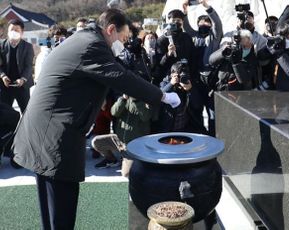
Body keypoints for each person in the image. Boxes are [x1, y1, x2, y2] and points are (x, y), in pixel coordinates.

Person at [11, 9, 180, 230]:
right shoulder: (92, 45)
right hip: (53, 135)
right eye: (124, 37)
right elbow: (122, 78)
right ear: (111, 30)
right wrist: (164, 95)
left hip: (42, 131)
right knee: (61, 208)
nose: (124, 42)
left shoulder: (85, 39)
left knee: (51, 206)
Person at [182, 0, 223, 136]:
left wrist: (207, 7)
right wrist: (184, 12)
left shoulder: (214, 37)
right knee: (196, 110)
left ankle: (213, 137)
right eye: (201, 22)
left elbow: (217, 23)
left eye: (207, 22)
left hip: (211, 80)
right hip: (196, 80)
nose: (203, 24)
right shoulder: (194, 36)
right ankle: (200, 136)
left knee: (212, 113)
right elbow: (186, 26)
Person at [111, 94, 153, 177]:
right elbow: (114, 112)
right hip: (119, 141)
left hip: (134, 144)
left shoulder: (145, 101)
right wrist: (123, 99)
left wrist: (137, 101)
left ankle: (129, 160)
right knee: (96, 142)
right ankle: (112, 160)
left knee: (126, 174)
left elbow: (145, 117)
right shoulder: (122, 99)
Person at [0, 19, 34, 113]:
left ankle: (26, 128)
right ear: (8, 31)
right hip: (6, 85)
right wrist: (3, 76)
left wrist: (22, 79)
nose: (13, 32)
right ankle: (7, 128)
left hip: (22, 86)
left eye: (16, 30)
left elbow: (28, 66)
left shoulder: (28, 46)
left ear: (22, 32)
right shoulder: (1, 46)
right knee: (4, 113)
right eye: (11, 29)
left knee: (27, 113)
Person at [154, 9, 195, 86]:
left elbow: (193, 58)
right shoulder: (162, 39)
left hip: (186, 76)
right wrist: (168, 54)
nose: (176, 22)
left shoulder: (187, 37)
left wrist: (191, 77)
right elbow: (159, 64)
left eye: (178, 20)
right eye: (173, 20)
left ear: (182, 22)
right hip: (169, 78)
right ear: (168, 21)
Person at [157, 61, 192, 132]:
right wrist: (171, 84)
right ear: (172, 74)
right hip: (168, 125)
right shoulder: (165, 82)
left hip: (182, 124)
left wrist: (190, 89)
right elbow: (159, 94)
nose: (181, 78)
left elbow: (197, 104)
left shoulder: (187, 82)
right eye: (179, 75)